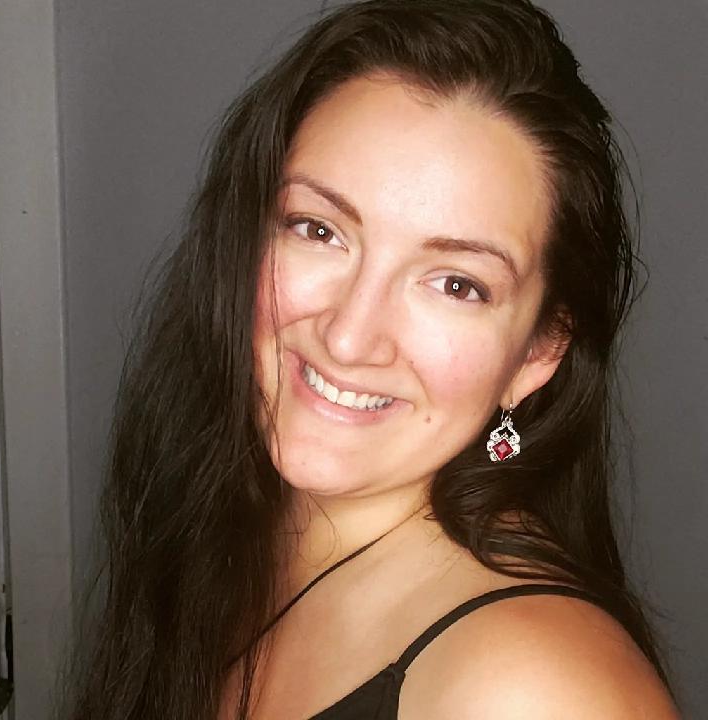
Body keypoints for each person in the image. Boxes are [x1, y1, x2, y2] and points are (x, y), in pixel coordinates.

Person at [63, 1, 682, 718]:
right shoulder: (224, 534)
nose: (349, 338)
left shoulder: (538, 691)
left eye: (456, 284)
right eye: (318, 229)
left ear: (538, 353)